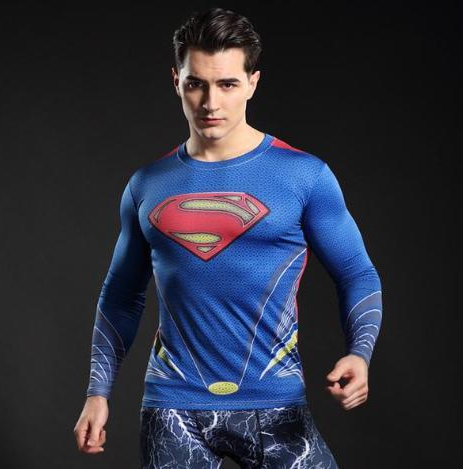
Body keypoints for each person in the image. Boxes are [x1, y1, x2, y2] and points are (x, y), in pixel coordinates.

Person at [73, 7, 382, 468]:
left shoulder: (304, 176)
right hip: (173, 409)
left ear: (252, 83)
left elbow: (357, 273)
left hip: (276, 406)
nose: (210, 102)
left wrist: (360, 354)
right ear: (176, 81)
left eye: (228, 84)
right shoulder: (146, 185)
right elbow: (121, 295)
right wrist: (97, 392)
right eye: (196, 84)